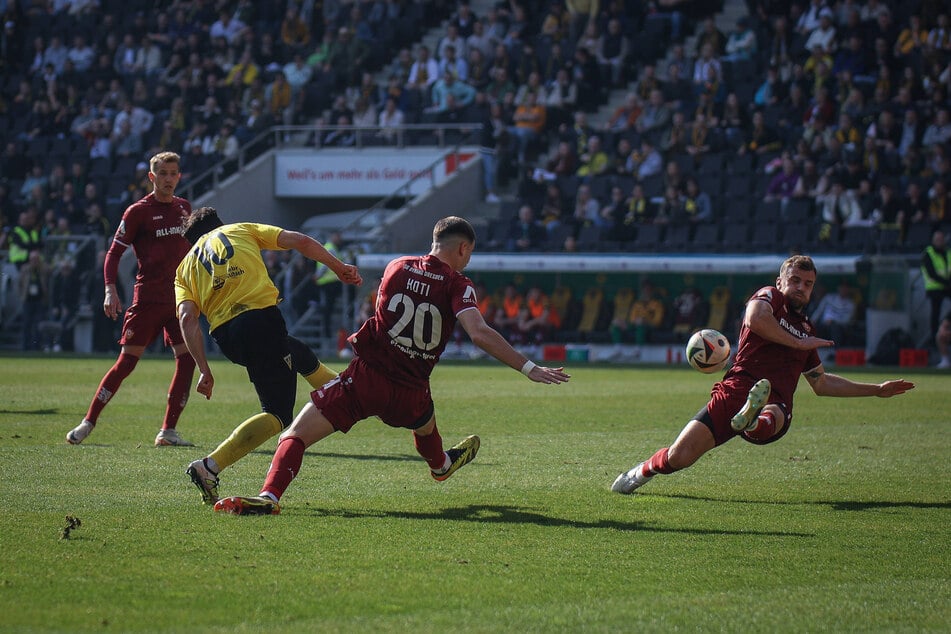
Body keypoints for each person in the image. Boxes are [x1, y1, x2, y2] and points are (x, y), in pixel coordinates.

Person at [213, 216, 571, 515]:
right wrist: (528, 367)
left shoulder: (396, 266)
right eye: (469, 254)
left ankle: (270, 497)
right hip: (412, 390)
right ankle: (441, 466)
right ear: (463, 248)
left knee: (295, 435)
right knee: (425, 423)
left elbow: (384, 311)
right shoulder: (458, 284)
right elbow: (478, 333)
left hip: (366, 379)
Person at [611, 255, 915, 495]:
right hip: (734, 389)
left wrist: (876, 389)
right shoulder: (771, 298)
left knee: (771, 413)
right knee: (680, 456)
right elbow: (755, 319)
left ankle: (753, 419)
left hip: (776, 401)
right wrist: (797, 343)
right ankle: (640, 473)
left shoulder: (808, 330)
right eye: (794, 280)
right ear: (780, 281)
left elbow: (821, 383)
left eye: (807, 284)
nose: (800, 287)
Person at [177, 207, 362, 505]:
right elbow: (299, 240)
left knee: (295, 352)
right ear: (219, 224)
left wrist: (204, 370)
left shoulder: (184, 267)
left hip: (227, 337)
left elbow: (186, 318)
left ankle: (346, 388)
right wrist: (337, 266)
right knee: (278, 413)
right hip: (261, 320)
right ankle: (209, 466)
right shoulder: (239, 230)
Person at [66, 152, 198, 447]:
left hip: (178, 299)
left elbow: (190, 252)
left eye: (173, 173)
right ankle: (89, 421)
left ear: (179, 176)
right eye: (162, 173)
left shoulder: (184, 208)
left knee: (187, 360)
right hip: (148, 299)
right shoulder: (138, 212)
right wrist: (110, 289)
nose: (168, 179)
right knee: (127, 362)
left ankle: (168, 431)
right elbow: (114, 253)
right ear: (151, 177)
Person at [920, 229, 951, 342]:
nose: (939, 241)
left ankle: (946, 324)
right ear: (933, 241)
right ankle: (934, 337)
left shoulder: (948, 252)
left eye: (941, 239)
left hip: (947, 286)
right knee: (935, 311)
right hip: (934, 288)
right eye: (937, 239)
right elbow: (931, 273)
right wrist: (947, 283)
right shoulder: (928, 253)